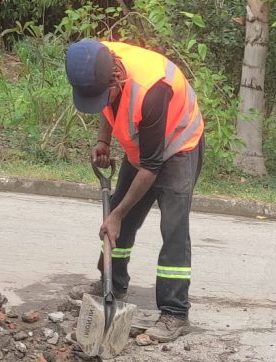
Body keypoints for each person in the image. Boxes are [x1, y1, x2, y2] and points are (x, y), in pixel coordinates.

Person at [65, 38, 204, 344]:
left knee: (173, 227)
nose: (100, 99)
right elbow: (107, 103)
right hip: (143, 148)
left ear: (118, 77)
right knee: (121, 218)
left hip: (179, 146)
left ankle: (175, 313)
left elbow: (152, 167)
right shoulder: (94, 58)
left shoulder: (153, 90)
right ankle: (112, 284)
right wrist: (104, 140)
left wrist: (115, 214)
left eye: (103, 93)